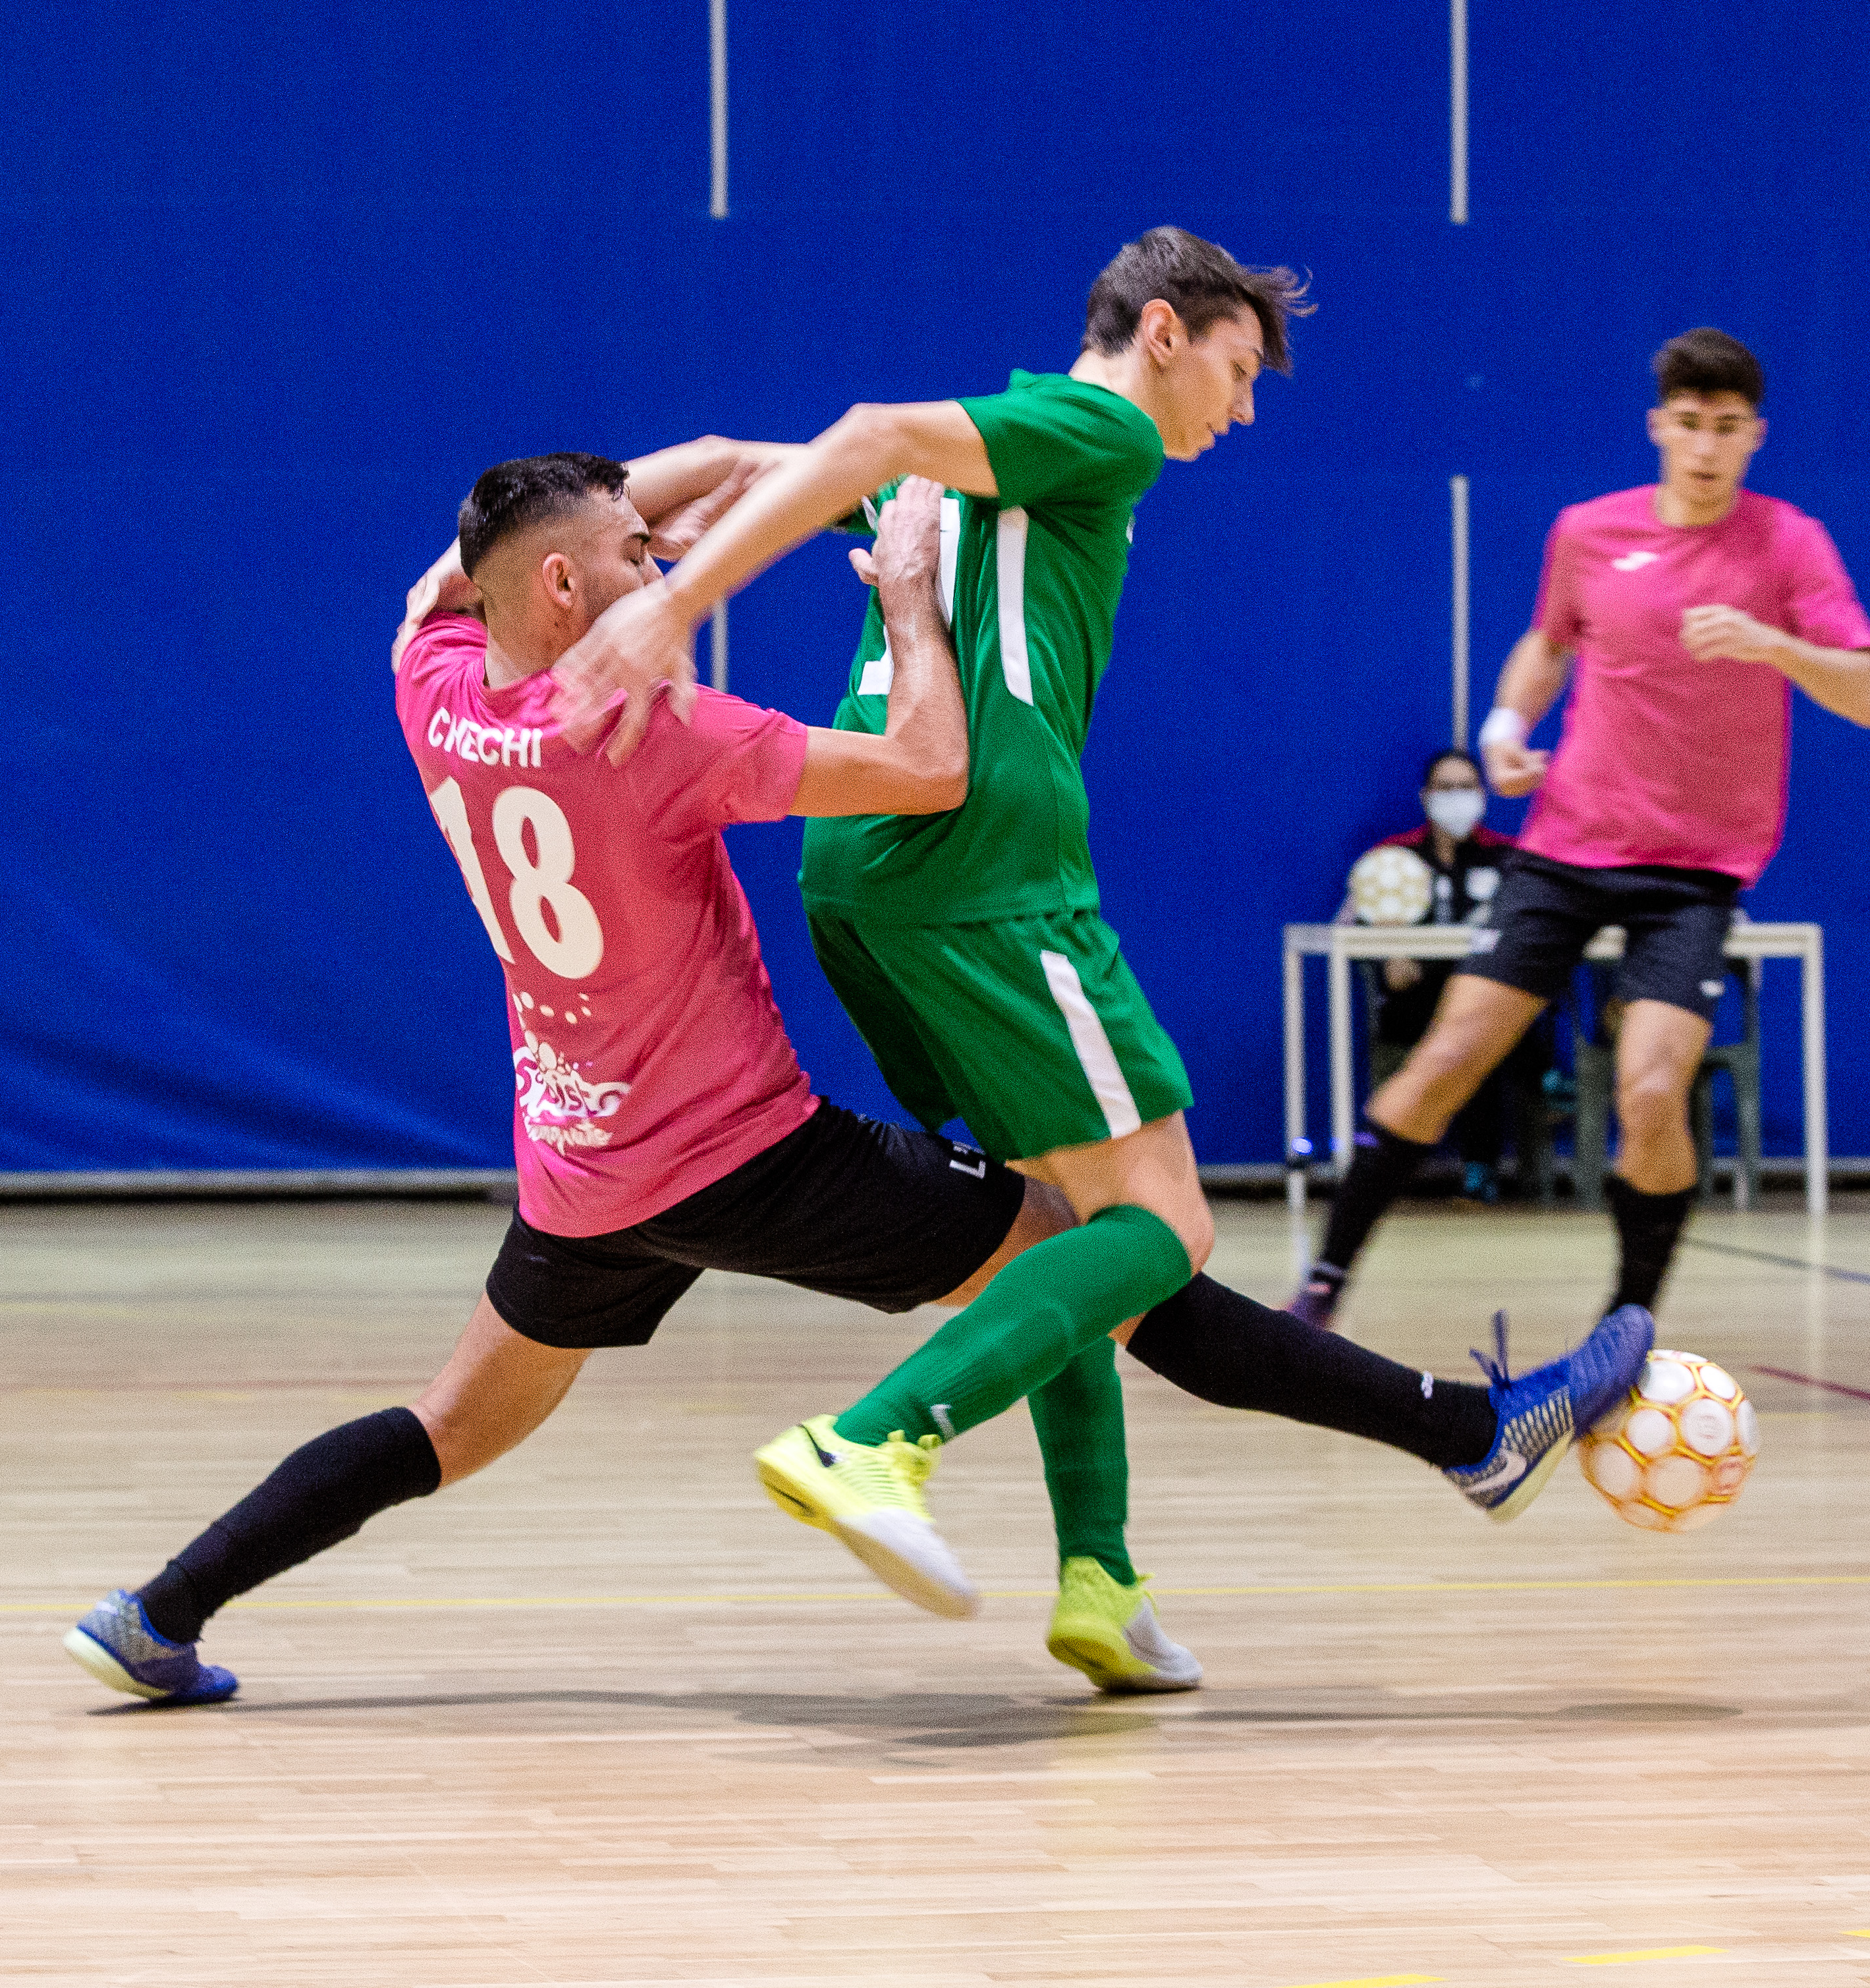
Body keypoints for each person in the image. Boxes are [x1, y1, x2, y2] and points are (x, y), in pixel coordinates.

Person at [544, 228, 1653, 1610]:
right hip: (990, 874)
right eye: (1236, 372)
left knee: (1065, 1223)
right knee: (1162, 1228)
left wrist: (466, 574)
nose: (1238, 413)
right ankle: (875, 1443)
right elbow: (862, 430)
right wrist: (675, 613)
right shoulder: (1097, 433)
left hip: (861, 876)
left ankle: (1101, 1580)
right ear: (1165, 335)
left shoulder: (978, 463)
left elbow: (726, 459)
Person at [65, 454, 1183, 1707]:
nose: (660, 574)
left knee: (450, 1427)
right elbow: (929, 764)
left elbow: (451, 582)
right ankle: (1110, 1555)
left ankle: (156, 1610)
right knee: (1068, 1249)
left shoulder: (429, 687)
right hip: (744, 1154)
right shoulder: (650, 729)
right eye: (633, 557)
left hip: (583, 1173)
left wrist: (735, 484)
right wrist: (910, 594)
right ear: (557, 581)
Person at [1288, 327, 1870, 1330]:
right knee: (1444, 1058)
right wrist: (1501, 724)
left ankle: (1626, 1323)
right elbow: (1546, 642)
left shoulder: (1788, 544)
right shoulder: (1587, 531)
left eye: (1727, 429)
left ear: (1755, 436)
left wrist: (1771, 644)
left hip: (1692, 872)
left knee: (1651, 1091)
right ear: (1658, 426)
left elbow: (1869, 696)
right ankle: (1320, 1287)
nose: (1704, 447)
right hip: (1564, 848)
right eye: (1688, 425)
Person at [1334, 747, 1545, 1207]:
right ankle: (1386, 1173)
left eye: (1467, 787)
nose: (1457, 798)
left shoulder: (1508, 858)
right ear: (1425, 796)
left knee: (1482, 1022)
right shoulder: (1391, 859)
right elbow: (1347, 928)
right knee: (1460, 1026)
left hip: (1485, 993)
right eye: (1446, 788)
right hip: (1413, 998)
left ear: (1484, 795)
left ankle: (1481, 1168)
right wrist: (1387, 952)